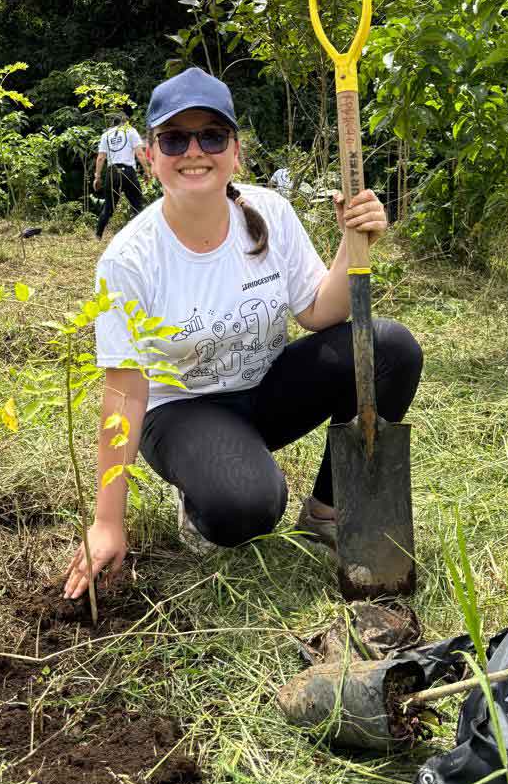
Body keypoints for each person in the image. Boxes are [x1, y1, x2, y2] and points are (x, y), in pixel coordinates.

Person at [63, 66, 423, 600]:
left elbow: (319, 312)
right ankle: (203, 496)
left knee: (389, 348)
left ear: (235, 151)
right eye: (174, 138)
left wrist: (353, 243)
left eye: (211, 135)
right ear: (149, 156)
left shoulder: (269, 212)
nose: (194, 151)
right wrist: (108, 521)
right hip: (183, 411)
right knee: (248, 505)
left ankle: (325, 510)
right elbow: (125, 390)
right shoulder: (130, 258)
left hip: (265, 389)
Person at [93, 110, 150, 238]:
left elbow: (101, 157)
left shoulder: (106, 135)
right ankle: (139, 235)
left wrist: (97, 177)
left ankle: (98, 235)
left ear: (113, 123)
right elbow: (139, 153)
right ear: (125, 121)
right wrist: (147, 172)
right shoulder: (130, 131)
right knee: (137, 205)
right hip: (128, 172)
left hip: (112, 172)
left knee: (108, 207)